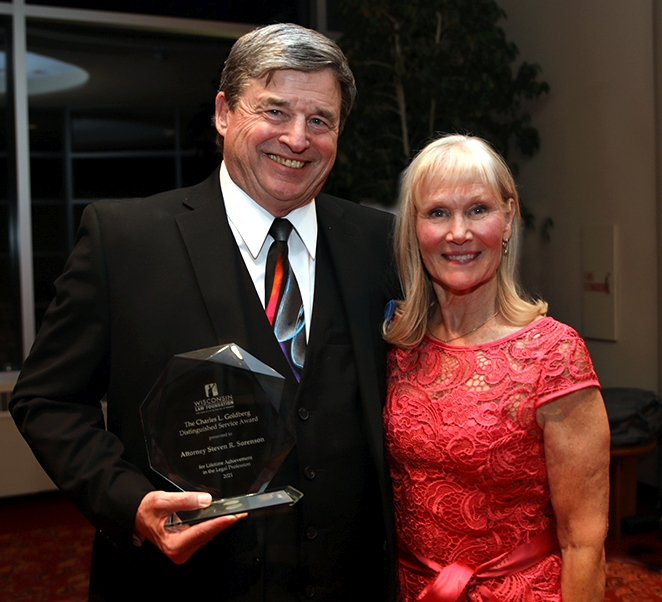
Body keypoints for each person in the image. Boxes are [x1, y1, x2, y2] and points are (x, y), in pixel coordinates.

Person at [11, 23, 397, 601]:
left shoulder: (379, 243)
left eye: (320, 120)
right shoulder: (126, 241)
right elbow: (46, 399)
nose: (297, 138)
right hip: (187, 584)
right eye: (275, 110)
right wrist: (130, 504)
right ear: (223, 112)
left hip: (352, 580)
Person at [383, 134, 609, 601]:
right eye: (438, 212)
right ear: (414, 227)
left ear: (508, 219)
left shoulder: (555, 354)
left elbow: (583, 540)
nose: (458, 233)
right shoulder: (396, 346)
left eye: (478, 210)